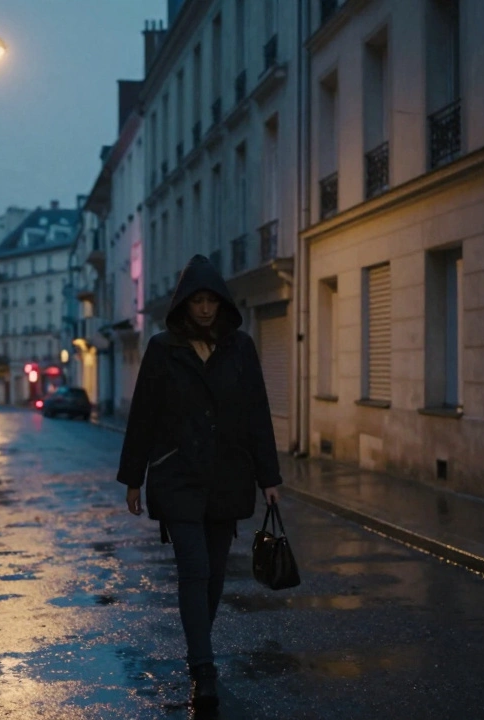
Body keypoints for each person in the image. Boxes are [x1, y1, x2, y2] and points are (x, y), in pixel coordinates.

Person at [117, 253, 282, 714]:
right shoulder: (162, 349)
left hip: (228, 476)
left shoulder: (240, 347)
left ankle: (198, 645)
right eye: (197, 301)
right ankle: (203, 669)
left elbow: (257, 413)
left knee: (213, 577)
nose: (205, 309)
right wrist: (133, 478)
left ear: (222, 303)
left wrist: (269, 477)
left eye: (212, 301)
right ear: (184, 304)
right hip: (177, 476)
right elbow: (143, 415)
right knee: (194, 570)